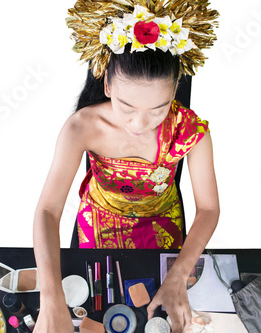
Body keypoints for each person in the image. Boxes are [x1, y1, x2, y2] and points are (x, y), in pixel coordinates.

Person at [33, 1, 220, 332]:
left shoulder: (191, 131)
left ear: (176, 88)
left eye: (158, 109)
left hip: (163, 222)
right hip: (99, 218)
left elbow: (208, 208)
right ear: (107, 85)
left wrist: (178, 275)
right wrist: (50, 297)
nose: (141, 123)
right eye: (126, 106)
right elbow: (48, 210)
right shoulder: (82, 127)